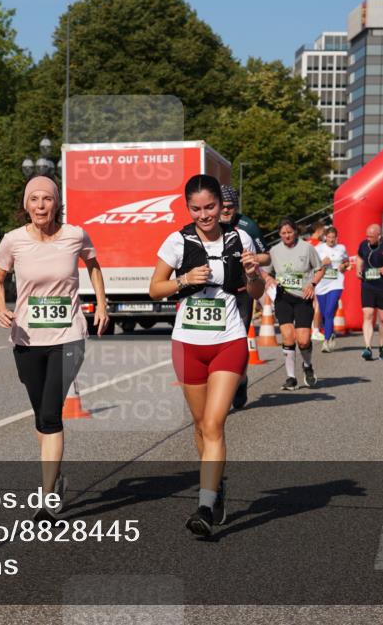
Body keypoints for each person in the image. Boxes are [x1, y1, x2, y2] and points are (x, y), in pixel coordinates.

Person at [150, 174, 265, 537]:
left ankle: (203, 504)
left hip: (228, 340)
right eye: (197, 209)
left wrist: (252, 274)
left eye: (211, 207)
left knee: (214, 424)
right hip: (187, 345)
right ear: (188, 209)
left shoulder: (238, 238)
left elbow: (256, 291)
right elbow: (155, 289)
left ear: (222, 206)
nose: (205, 215)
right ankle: (216, 488)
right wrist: (184, 280)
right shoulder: (177, 241)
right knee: (200, 426)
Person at [0, 176, 109, 522]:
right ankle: (54, 477)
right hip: (26, 339)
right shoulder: (13, 241)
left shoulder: (75, 235)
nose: (41, 205)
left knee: (51, 416)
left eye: (47, 199)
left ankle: (47, 501)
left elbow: (93, 265)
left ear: (57, 203)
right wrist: (0, 308)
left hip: (68, 336)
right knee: (41, 418)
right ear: (26, 205)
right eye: (34, 199)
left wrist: (101, 304)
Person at [219, 184, 268, 410]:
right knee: (220, 342)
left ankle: (241, 380)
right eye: (222, 207)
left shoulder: (247, 226)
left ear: (236, 207)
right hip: (218, 293)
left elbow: (266, 256)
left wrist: (250, 257)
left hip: (243, 292)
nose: (225, 211)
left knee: (238, 342)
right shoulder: (211, 226)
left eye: (230, 207)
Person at [265, 218, 325, 391]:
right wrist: (268, 277)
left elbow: (320, 269)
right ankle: (291, 377)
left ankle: (307, 366)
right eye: (283, 233)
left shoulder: (307, 248)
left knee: (304, 340)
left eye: (289, 232)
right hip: (283, 297)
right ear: (279, 234)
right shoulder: (274, 250)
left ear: (296, 232)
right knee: (287, 336)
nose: (287, 236)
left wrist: (312, 284)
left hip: (303, 298)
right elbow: (264, 270)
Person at [355, 224, 383, 361]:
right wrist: (358, 269)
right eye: (367, 236)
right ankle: (367, 347)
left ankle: (382, 346)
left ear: (379, 236)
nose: (368, 239)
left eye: (371, 237)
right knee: (368, 315)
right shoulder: (364, 245)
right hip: (368, 285)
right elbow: (360, 257)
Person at [314, 226, 349, 353]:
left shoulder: (341, 248)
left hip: (336, 283)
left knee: (329, 311)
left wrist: (343, 265)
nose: (331, 240)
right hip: (321, 284)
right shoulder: (318, 249)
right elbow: (311, 265)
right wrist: (322, 262)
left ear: (336, 238)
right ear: (325, 237)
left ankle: (326, 341)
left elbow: (347, 262)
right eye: (329, 237)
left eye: (333, 237)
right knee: (324, 314)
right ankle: (331, 332)